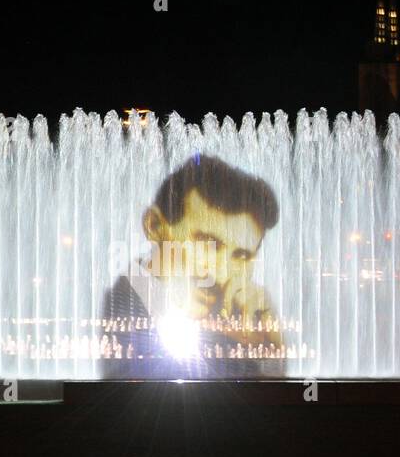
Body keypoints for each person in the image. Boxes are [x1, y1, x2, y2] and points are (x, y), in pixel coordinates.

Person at [100, 153, 283, 379]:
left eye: (242, 256)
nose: (220, 274)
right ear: (154, 226)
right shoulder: (108, 312)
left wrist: (272, 353)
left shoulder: (235, 331)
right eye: (209, 244)